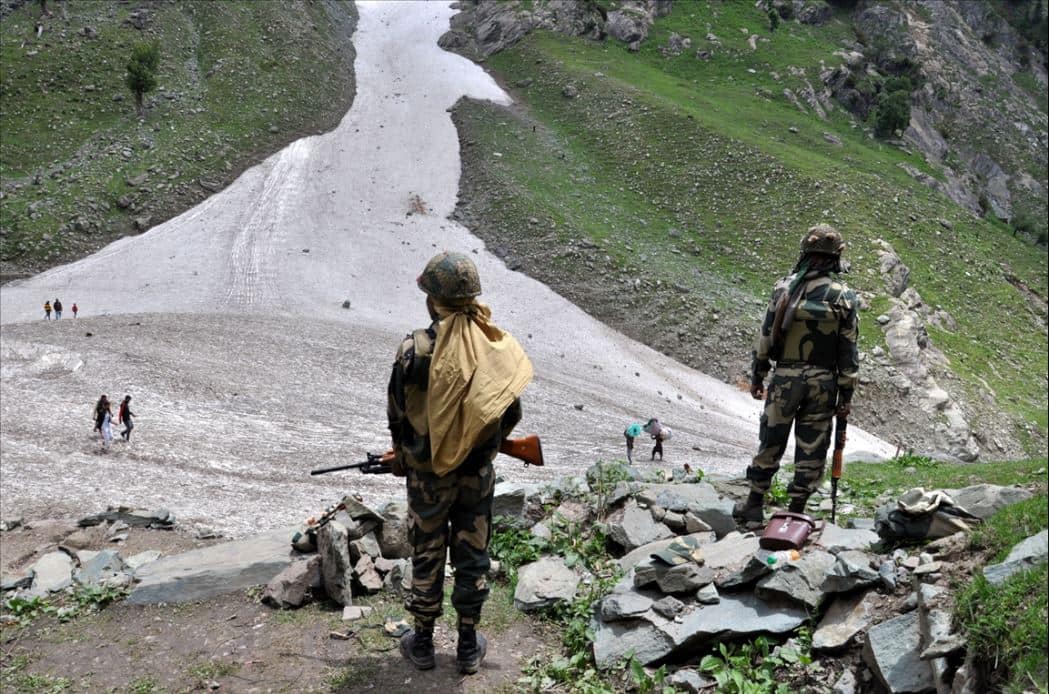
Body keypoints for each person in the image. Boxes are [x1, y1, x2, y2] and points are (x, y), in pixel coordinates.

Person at [388, 251, 533, 675]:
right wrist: (483, 445)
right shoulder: (494, 347)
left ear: (434, 300)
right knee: (472, 559)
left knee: (427, 555)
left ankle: (424, 643)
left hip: (428, 478)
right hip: (477, 476)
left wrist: (406, 456)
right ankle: (468, 646)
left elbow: (397, 415)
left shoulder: (414, 349)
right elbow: (510, 413)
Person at [734, 224, 859, 524]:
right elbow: (848, 351)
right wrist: (847, 393)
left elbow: (765, 337)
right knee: (813, 446)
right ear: (836, 258)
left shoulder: (783, 288)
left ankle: (754, 503)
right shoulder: (845, 296)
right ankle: (796, 511)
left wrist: (757, 375)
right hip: (823, 383)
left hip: (785, 379)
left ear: (804, 252)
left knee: (771, 439)